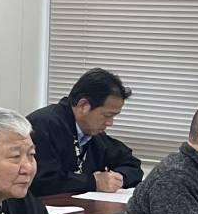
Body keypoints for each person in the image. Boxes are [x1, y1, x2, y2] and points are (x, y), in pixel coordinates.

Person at [28, 68, 143, 197]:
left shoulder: (93, 134)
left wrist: (118, 178)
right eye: (107, 115)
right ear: (83, 105)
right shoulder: (43, 125)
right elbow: (43, 181)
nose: (110, 123)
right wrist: (94, 182)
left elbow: (132, 165)